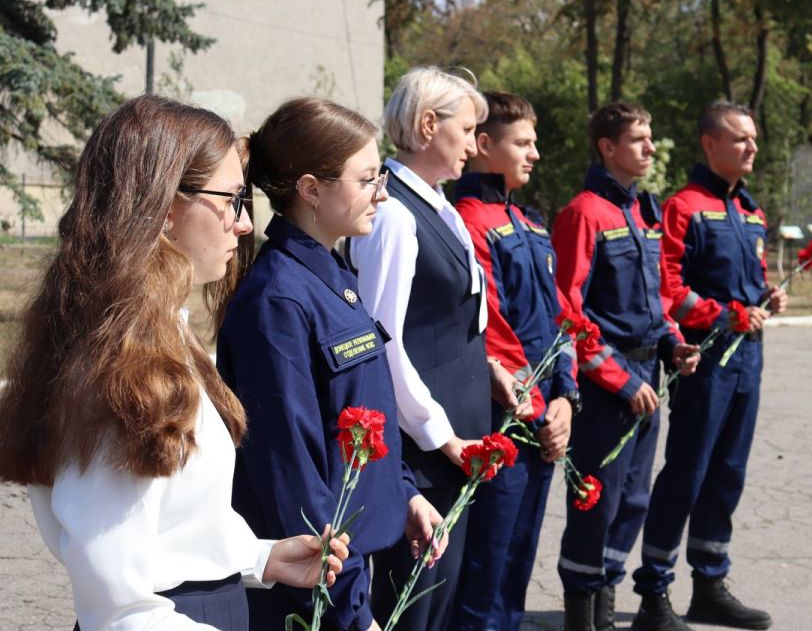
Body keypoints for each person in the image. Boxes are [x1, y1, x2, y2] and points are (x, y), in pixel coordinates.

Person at [0, 95, 348, 630]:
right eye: (233, 199)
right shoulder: (118, 366)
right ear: (164, 209)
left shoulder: (161, 332)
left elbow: (168, 520)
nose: (243, 225)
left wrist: (258, 557)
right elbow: (120, 604)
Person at [215, 97, 448, 631]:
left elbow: (363, 407)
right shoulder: (278, 300)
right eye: (367, 178)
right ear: (312, 189)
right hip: (313, 595)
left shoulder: (332, 278)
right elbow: (290, 474)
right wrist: (347, 609)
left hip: (350, 566)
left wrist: (404, 493)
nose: (382, 193)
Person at [347, 67, 531, 631]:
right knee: (413, 610)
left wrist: (490, 367)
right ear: (428, 125)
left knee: (440, 604)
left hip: (456, 446)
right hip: (426, 455)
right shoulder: (395, 215)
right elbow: (384, 344)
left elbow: (449, 323)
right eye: (469, 128)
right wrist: (441, 435)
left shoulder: (438, 206)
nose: (478, 143)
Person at [630, 101, 787, 631]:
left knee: (728, 474)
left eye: (755, 139)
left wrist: (766, 297)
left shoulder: (750, 210)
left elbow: (751, 280)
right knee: (688, 473)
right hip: (705, 361)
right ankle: (654, 593)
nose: (752, 148)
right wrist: (725, 315)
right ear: (709, 144)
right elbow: (668, 290)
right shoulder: (684, 208)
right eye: (741, 138)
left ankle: (709, 583)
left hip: (749, 361)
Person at [551, 102, 700, 631]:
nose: (651, 147)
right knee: (598, 502)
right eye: (639, 139)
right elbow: (568, 312)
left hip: (648, 382)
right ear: (607, 147)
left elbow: (656, 302)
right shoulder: (583, 213)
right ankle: (580, 614)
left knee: (633, 501)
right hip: (608, 391)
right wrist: (618, 377)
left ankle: (605, 608)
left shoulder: (643, 212)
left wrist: (674, 345)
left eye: (650, 137)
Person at [450, 91, 580, 631]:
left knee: (517, 561)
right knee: (485, 564)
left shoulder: (531, 222)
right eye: (522, 142)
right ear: (484, 145)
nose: (535, 154)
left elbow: (562, 317)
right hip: (503, 415)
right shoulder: (467, 221)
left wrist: (566, 397)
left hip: (543, 414)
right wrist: (537, 407)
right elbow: (492, 330)